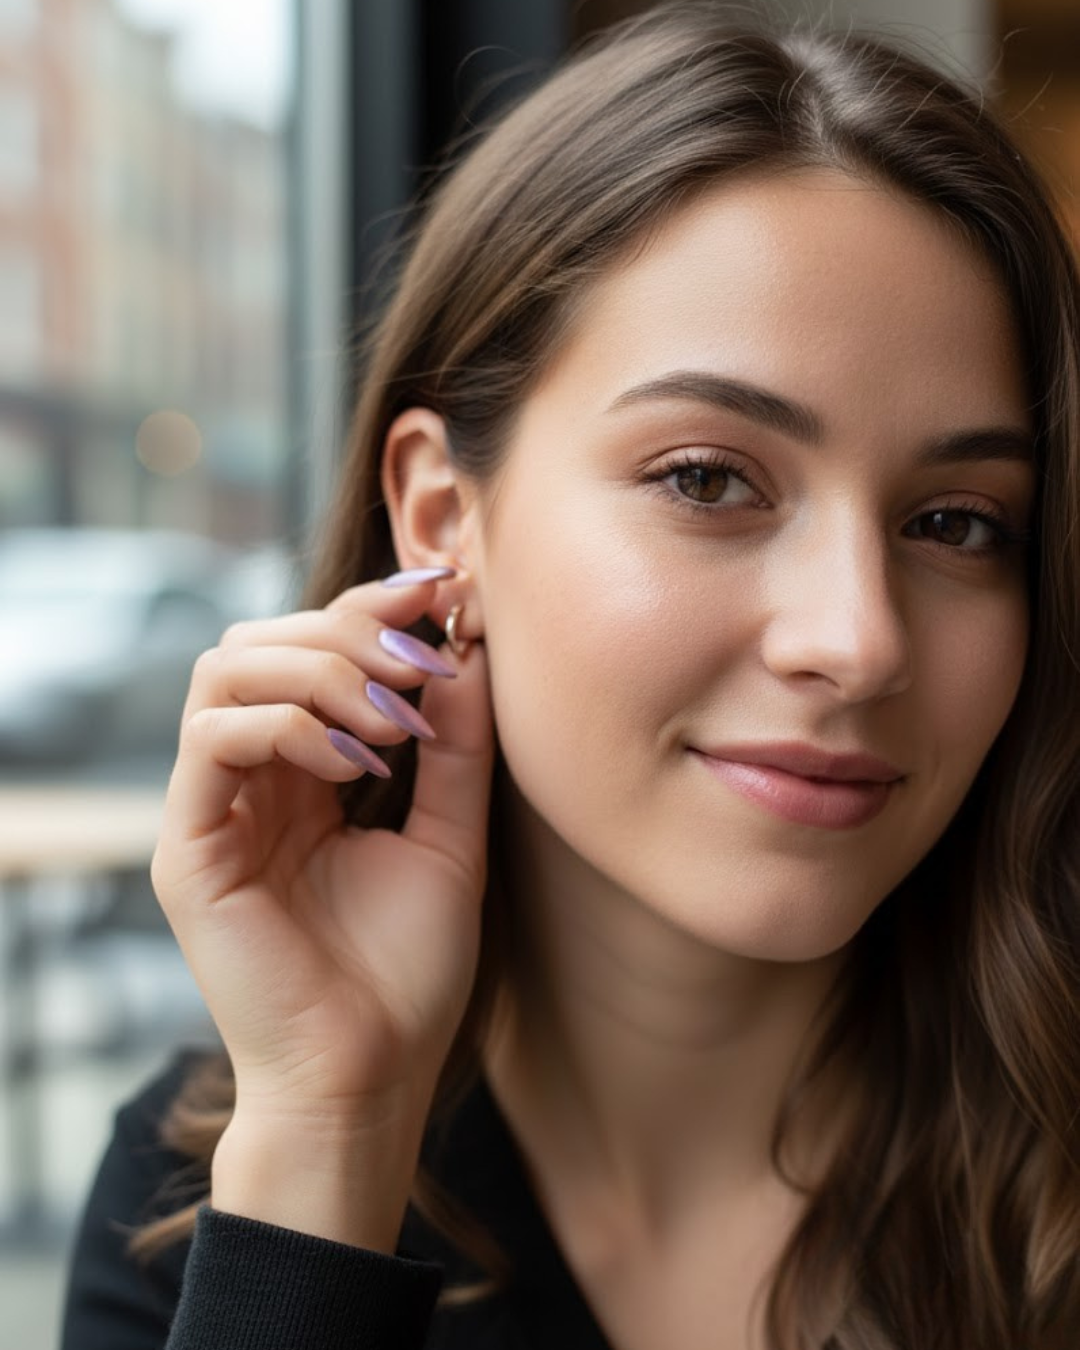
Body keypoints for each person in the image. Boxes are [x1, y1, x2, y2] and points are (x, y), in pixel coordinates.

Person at [61, 5, 1080, 1348]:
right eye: (707, 479)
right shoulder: (203, 1211)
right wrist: (330, 1134)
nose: (859, 640)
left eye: (955, 521)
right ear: (442, 516)